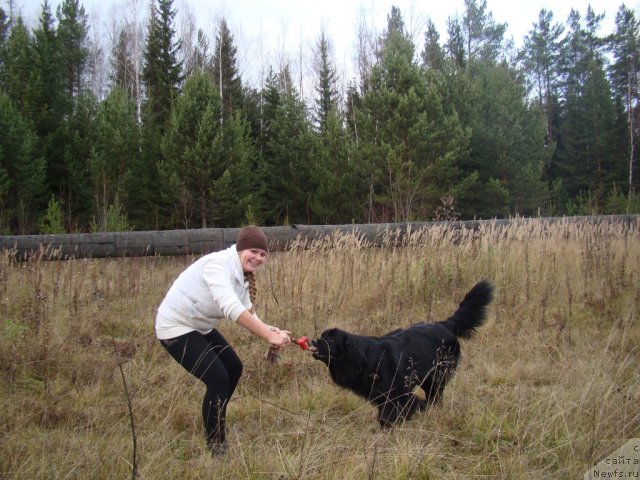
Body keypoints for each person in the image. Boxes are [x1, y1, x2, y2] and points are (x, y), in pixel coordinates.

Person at [155, 225, 291, 455]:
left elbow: (247, 309)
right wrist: (267, 335)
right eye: (254, 251)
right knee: (218, 378)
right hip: (175, 328)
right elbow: (231, 308)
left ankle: (215, 418)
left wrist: (270, 329)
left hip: (200, 326)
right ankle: (217, 447)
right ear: (240, 248)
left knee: (233, 368)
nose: (258, 258)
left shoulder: (242, 274)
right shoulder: (218, 265)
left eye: (263, 254)